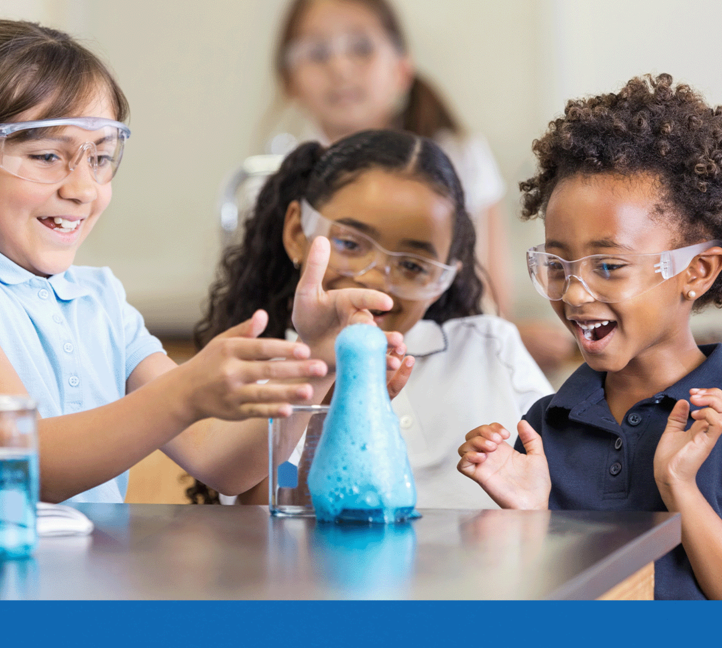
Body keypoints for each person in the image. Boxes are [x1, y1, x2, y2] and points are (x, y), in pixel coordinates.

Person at [0, 19, 405, 504]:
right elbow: (26, 461)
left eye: (100, 157)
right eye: (47, 156)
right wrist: (185, 392)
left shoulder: (98, 298)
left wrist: (316, 360)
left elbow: (223, 463)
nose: (83, 188)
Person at [456, 74, 722, 599]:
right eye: (557, 263)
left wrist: (680, 490)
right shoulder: (543, 427)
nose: (575, 294)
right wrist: (531, 520)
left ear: (697, 271)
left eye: (610, 265)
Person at [190, 129, 553, 508]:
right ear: (299, 232)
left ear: (443, 279)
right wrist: (333, 402)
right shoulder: (264, 373)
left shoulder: (490, 348)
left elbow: (566, 482)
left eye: (413, 265)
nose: (376, 281)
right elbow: (265, 513)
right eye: (350, 244)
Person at [268, 0, 574, 371]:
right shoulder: (283, 177)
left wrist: (506, 338)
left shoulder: (458, 155)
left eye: (361, 48)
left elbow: (488, 297)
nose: (340, 68)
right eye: (316, 53)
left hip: (442, 360)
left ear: (401, 68)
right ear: (289, 79)